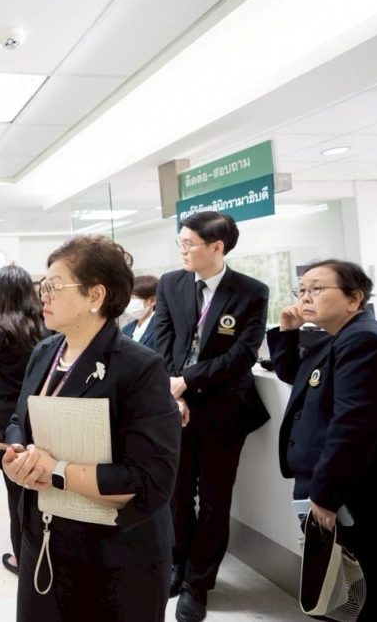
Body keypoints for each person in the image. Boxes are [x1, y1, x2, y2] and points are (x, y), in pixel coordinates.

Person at [3, 235, 181, 622]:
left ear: (95, 295)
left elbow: (149, 480)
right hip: (43, 538)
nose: (43, 296)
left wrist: (56, 469)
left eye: (54, 286)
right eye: (42, 287)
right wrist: (17, 454)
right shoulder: (45, 352)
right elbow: (19, 420)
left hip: (114, 557)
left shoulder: (139, 367)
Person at [268, 259, 377, 622]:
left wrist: (325, 495)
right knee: (342, 597)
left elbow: (354, 429)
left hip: (357, 495)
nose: (305, 297)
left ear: (354, 299)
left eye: (317, 289)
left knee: (365, 598)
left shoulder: (365, 341)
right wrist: (287, 331)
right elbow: (299, 377)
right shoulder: (340, 338)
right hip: (338, 491)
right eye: (302, 290)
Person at [153, 211, 270, 622]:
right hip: (176, 406)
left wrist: (186, 381)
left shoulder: (251, 291)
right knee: (177, 493)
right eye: (180, 243)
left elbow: (242, 354)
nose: (182, 250)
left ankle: (198, 584)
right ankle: (177, 565)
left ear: (217, 247)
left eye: (189, 243)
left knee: (215, 502)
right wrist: (174, 390)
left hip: (224, 409)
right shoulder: (171, 283)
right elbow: (162, 340)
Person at [0, 265, 47, 577]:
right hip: (43, 408)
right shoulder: (44, 322)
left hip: (9, 411)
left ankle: (21, 557)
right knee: (44, 475)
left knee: (16, 483)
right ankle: (47, 550)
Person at [121, 275, 159, 351]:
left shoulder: (161, 328)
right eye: (128, 298)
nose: (129, 302)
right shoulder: (126, 329)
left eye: (134, 298)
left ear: (152, 301)